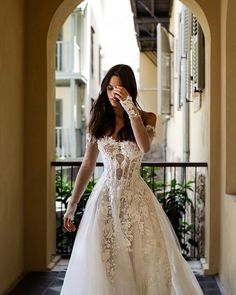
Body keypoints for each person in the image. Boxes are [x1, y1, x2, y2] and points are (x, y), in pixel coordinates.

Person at [60, 64, 203, 295]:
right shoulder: (98, 119)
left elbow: (144, 146)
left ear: (129, 90)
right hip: (105, 199)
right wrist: (72, 204)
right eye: (109, 88)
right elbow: (87, 164)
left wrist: (129, 108)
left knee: (141, 265)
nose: (113, 94)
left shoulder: (146, 117)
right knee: (105, 263)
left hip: (136, 201)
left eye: (119, 89)